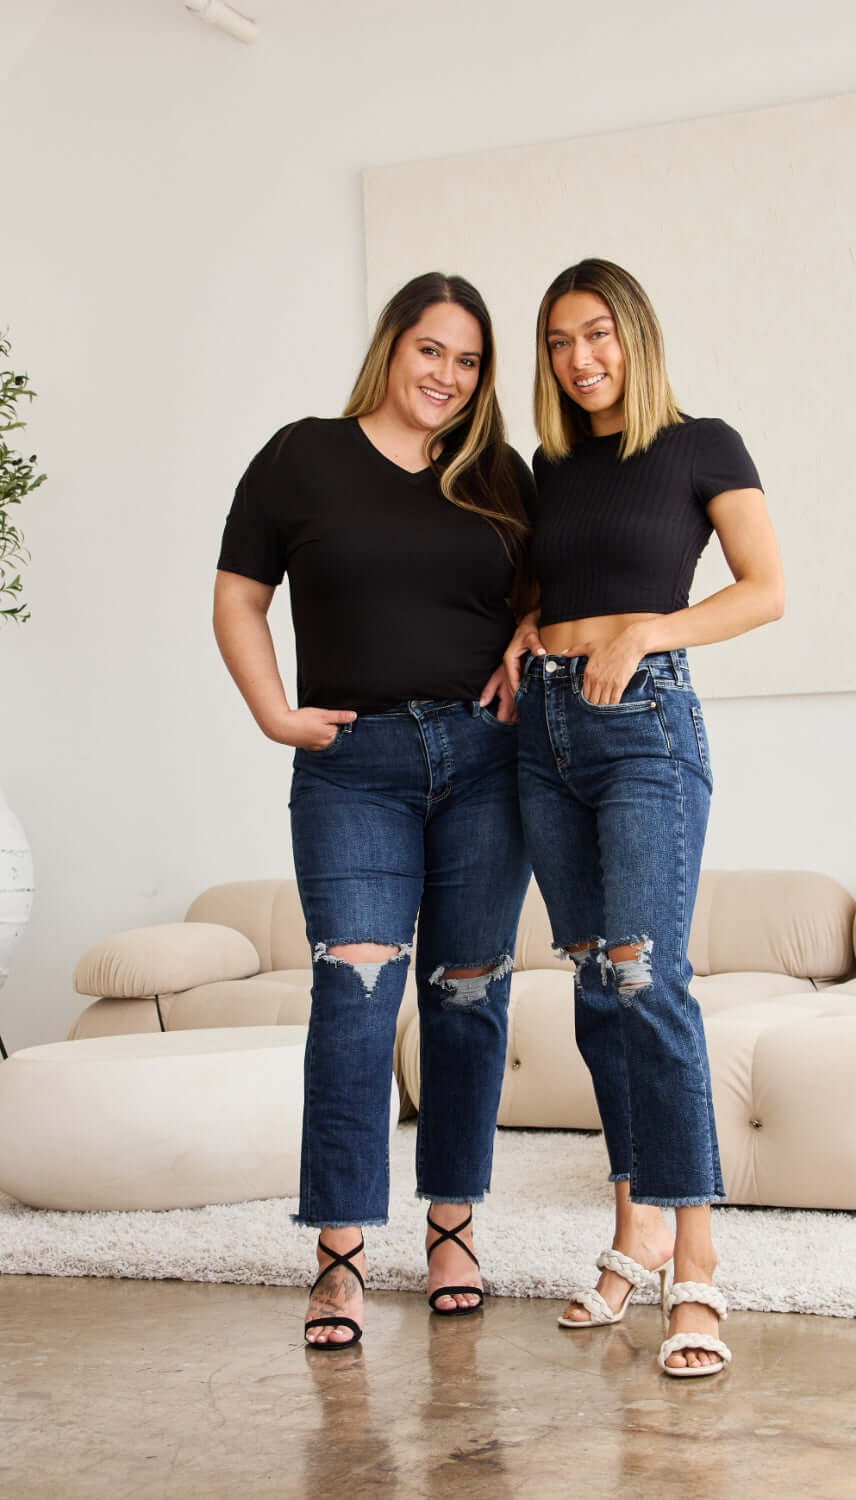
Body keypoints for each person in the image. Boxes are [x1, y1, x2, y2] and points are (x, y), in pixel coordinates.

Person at [215, 272, 533, 1349]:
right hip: (354, 765)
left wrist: (520, 643)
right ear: (392, 346)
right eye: (431, 349)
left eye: (469, 359)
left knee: (467, 995)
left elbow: (542, 588)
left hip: (485, 760)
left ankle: (452, 1227)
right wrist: (272, 712)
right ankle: (342, 1253)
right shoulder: (301, 455)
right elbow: (239, 594)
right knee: (356, 994)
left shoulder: (496, 473)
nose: (448, 376)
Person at [504, 258, 783, 1378]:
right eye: (561, 341)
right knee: (592, 991)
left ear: (636, 335)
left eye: (599, 334)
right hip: (545, 732)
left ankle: (696, 1262)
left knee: (648, 983)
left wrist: (648, 631)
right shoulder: (546, 466)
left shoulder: (701, 441)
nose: (581, 359)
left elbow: (763, 586)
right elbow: (542, 590)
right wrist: (525, 634)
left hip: (645, 729)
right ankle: (633, 1228)